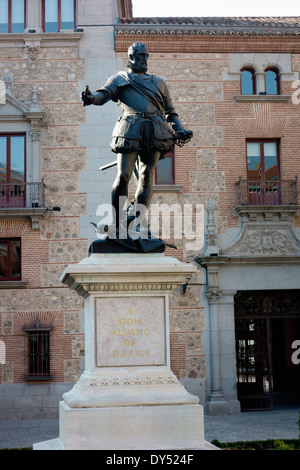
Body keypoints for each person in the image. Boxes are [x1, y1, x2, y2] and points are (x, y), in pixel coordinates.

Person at [82, 42, 192, 250]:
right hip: (130, 128)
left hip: (156, 129)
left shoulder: (159, 82)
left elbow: (170, 111)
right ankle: (117, 223)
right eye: (140, 55)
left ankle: (137, 222)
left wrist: (180, 128)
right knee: (123, 175)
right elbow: (103, 95)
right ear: (131, 57)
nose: (144, 59)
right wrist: (91, 98)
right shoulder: (120, 79)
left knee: (146, 175)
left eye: (146, 55)